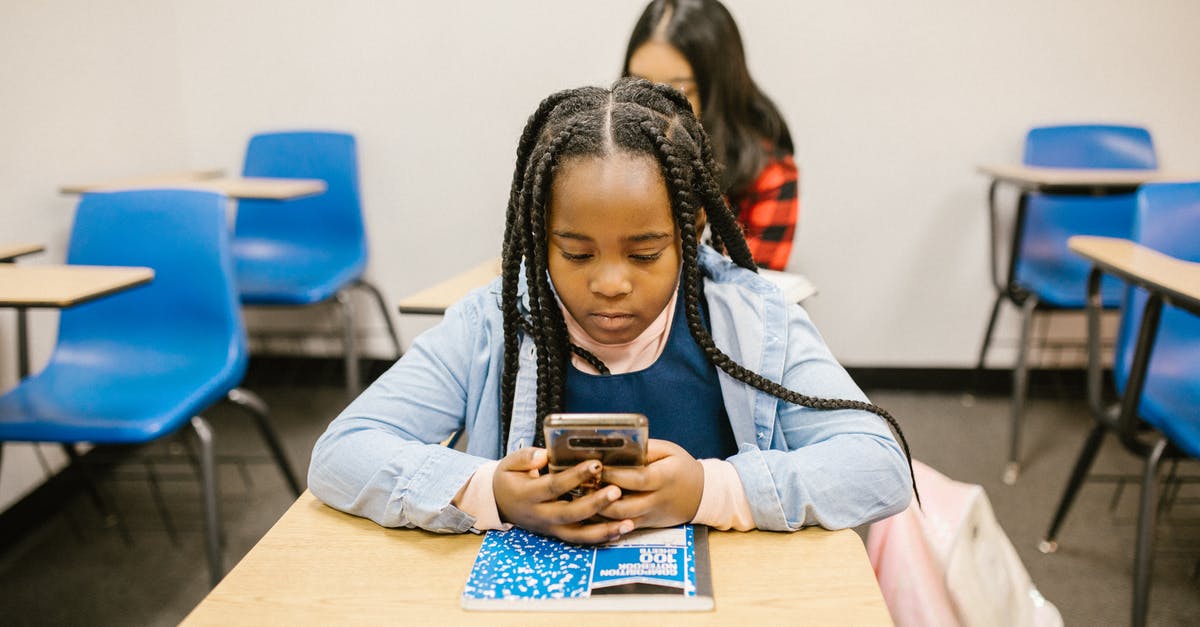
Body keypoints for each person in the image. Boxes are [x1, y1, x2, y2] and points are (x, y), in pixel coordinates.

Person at [308, 79, 913, 545]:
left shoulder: (755, 322)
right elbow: (343, 452)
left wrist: (713, 490)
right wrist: (486, 491)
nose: (610, 284)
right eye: (575, 253)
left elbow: (877, 465)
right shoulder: (493, 323)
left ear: (690, 231)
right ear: (540, 236)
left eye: (645, 253)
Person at [623, 0, 798, 271]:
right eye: (639, 84)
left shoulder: (768, 174)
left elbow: (752, 291)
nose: (652, 107)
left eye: (678, 91)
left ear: (716, 90)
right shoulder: (605, 154)